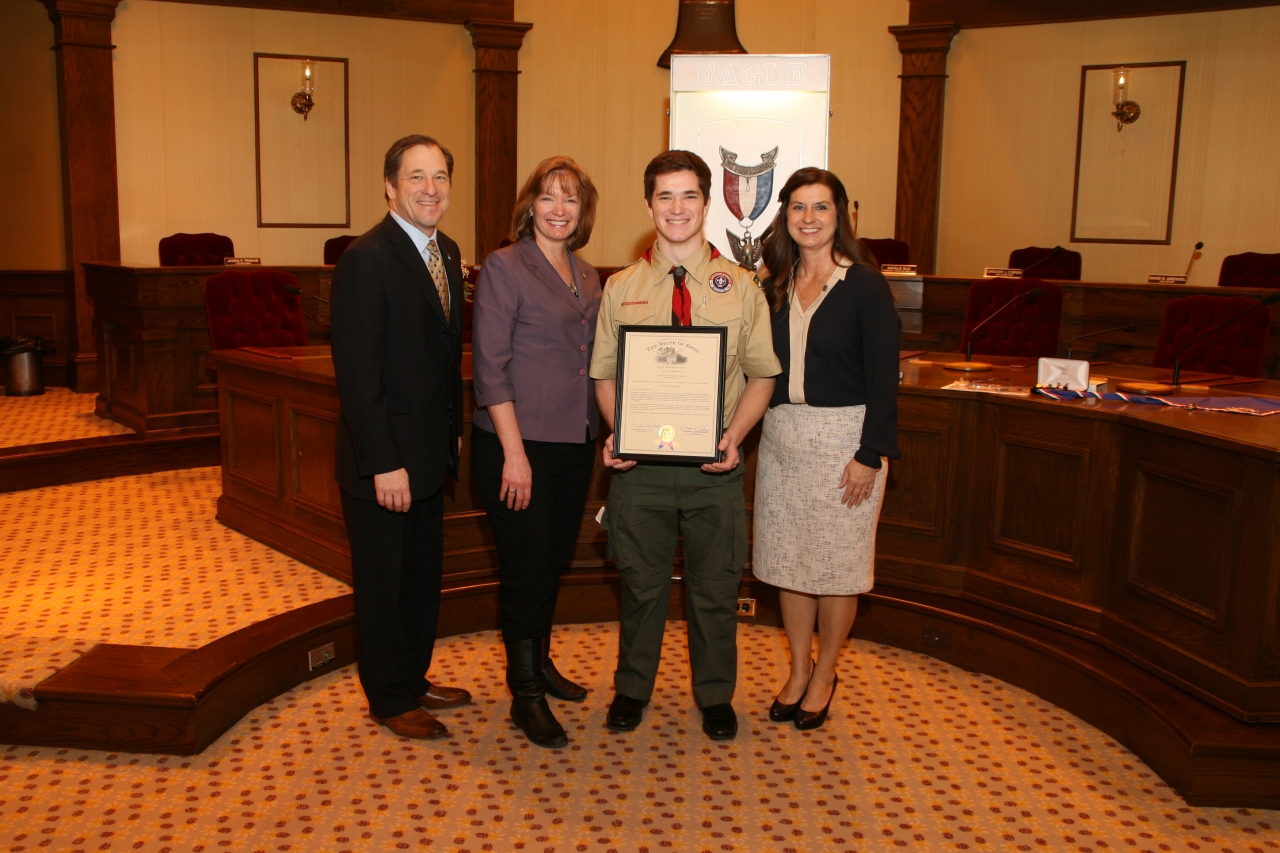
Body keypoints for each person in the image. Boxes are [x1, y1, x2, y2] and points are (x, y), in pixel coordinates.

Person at [590, 150, 782, 741]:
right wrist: (618, 427)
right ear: (648, 205)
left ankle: (715, 694)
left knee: (716, 588)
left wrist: (734, 438)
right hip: (640, 468)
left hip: (713, 465)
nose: (676, 208)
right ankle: (632, 687)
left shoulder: (743, 288)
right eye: (665, 197)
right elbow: (604, 374)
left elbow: (763, 375)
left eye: (689, 195)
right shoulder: (621, 287)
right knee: (641, 587)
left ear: (706, 203)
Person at [330, 135, 472, 740]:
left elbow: (442, 358)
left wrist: (450, 438)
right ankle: (388, 698)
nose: (430, 189)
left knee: (419, 578)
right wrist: (383, 463)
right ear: (390, 187)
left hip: (428, 455)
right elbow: (359, 375)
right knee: (384, 585)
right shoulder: (367, 258)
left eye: (439, 176)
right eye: (417, 177)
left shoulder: (448, 250)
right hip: (384, 464)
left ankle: (413, 678)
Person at [753, 167, 901, 730]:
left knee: (837, 569)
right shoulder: (773, 284)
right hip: (785, 440)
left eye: (820, 207)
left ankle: (826, 671)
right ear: (785, 216)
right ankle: (797, 668)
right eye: (798, 207)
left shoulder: (863, 283)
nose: (808, 218)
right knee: (790, 564)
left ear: (840, 216)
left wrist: (871, 453)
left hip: (847, 443)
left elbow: (884, 375)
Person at [471, 156, 603, 749]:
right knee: (525, 569)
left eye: (570, 199)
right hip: (515, 444)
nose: (558, 208)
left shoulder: (590, 274)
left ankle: (542, 665)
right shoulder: (504, 266)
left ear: (583, 212)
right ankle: (524, 692)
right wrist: (513, 454)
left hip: (573, 442)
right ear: (530, 205)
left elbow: (596, 361)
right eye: (548, 197)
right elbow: (490, 366)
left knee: (552, 562)